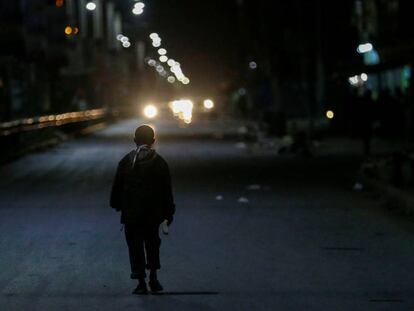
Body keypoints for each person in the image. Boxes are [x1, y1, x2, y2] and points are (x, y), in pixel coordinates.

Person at [110, 125, 175, 294]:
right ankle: (153, 277)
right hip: (152, 214)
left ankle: (140, 282)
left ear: (134, 141)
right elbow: (166, 190)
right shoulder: (159, 162)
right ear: (153, 141)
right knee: (152, 243)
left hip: (131, 214)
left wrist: (119, 205)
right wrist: (168, 212)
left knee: (135, 246)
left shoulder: (126, 161)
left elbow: (117, 189)